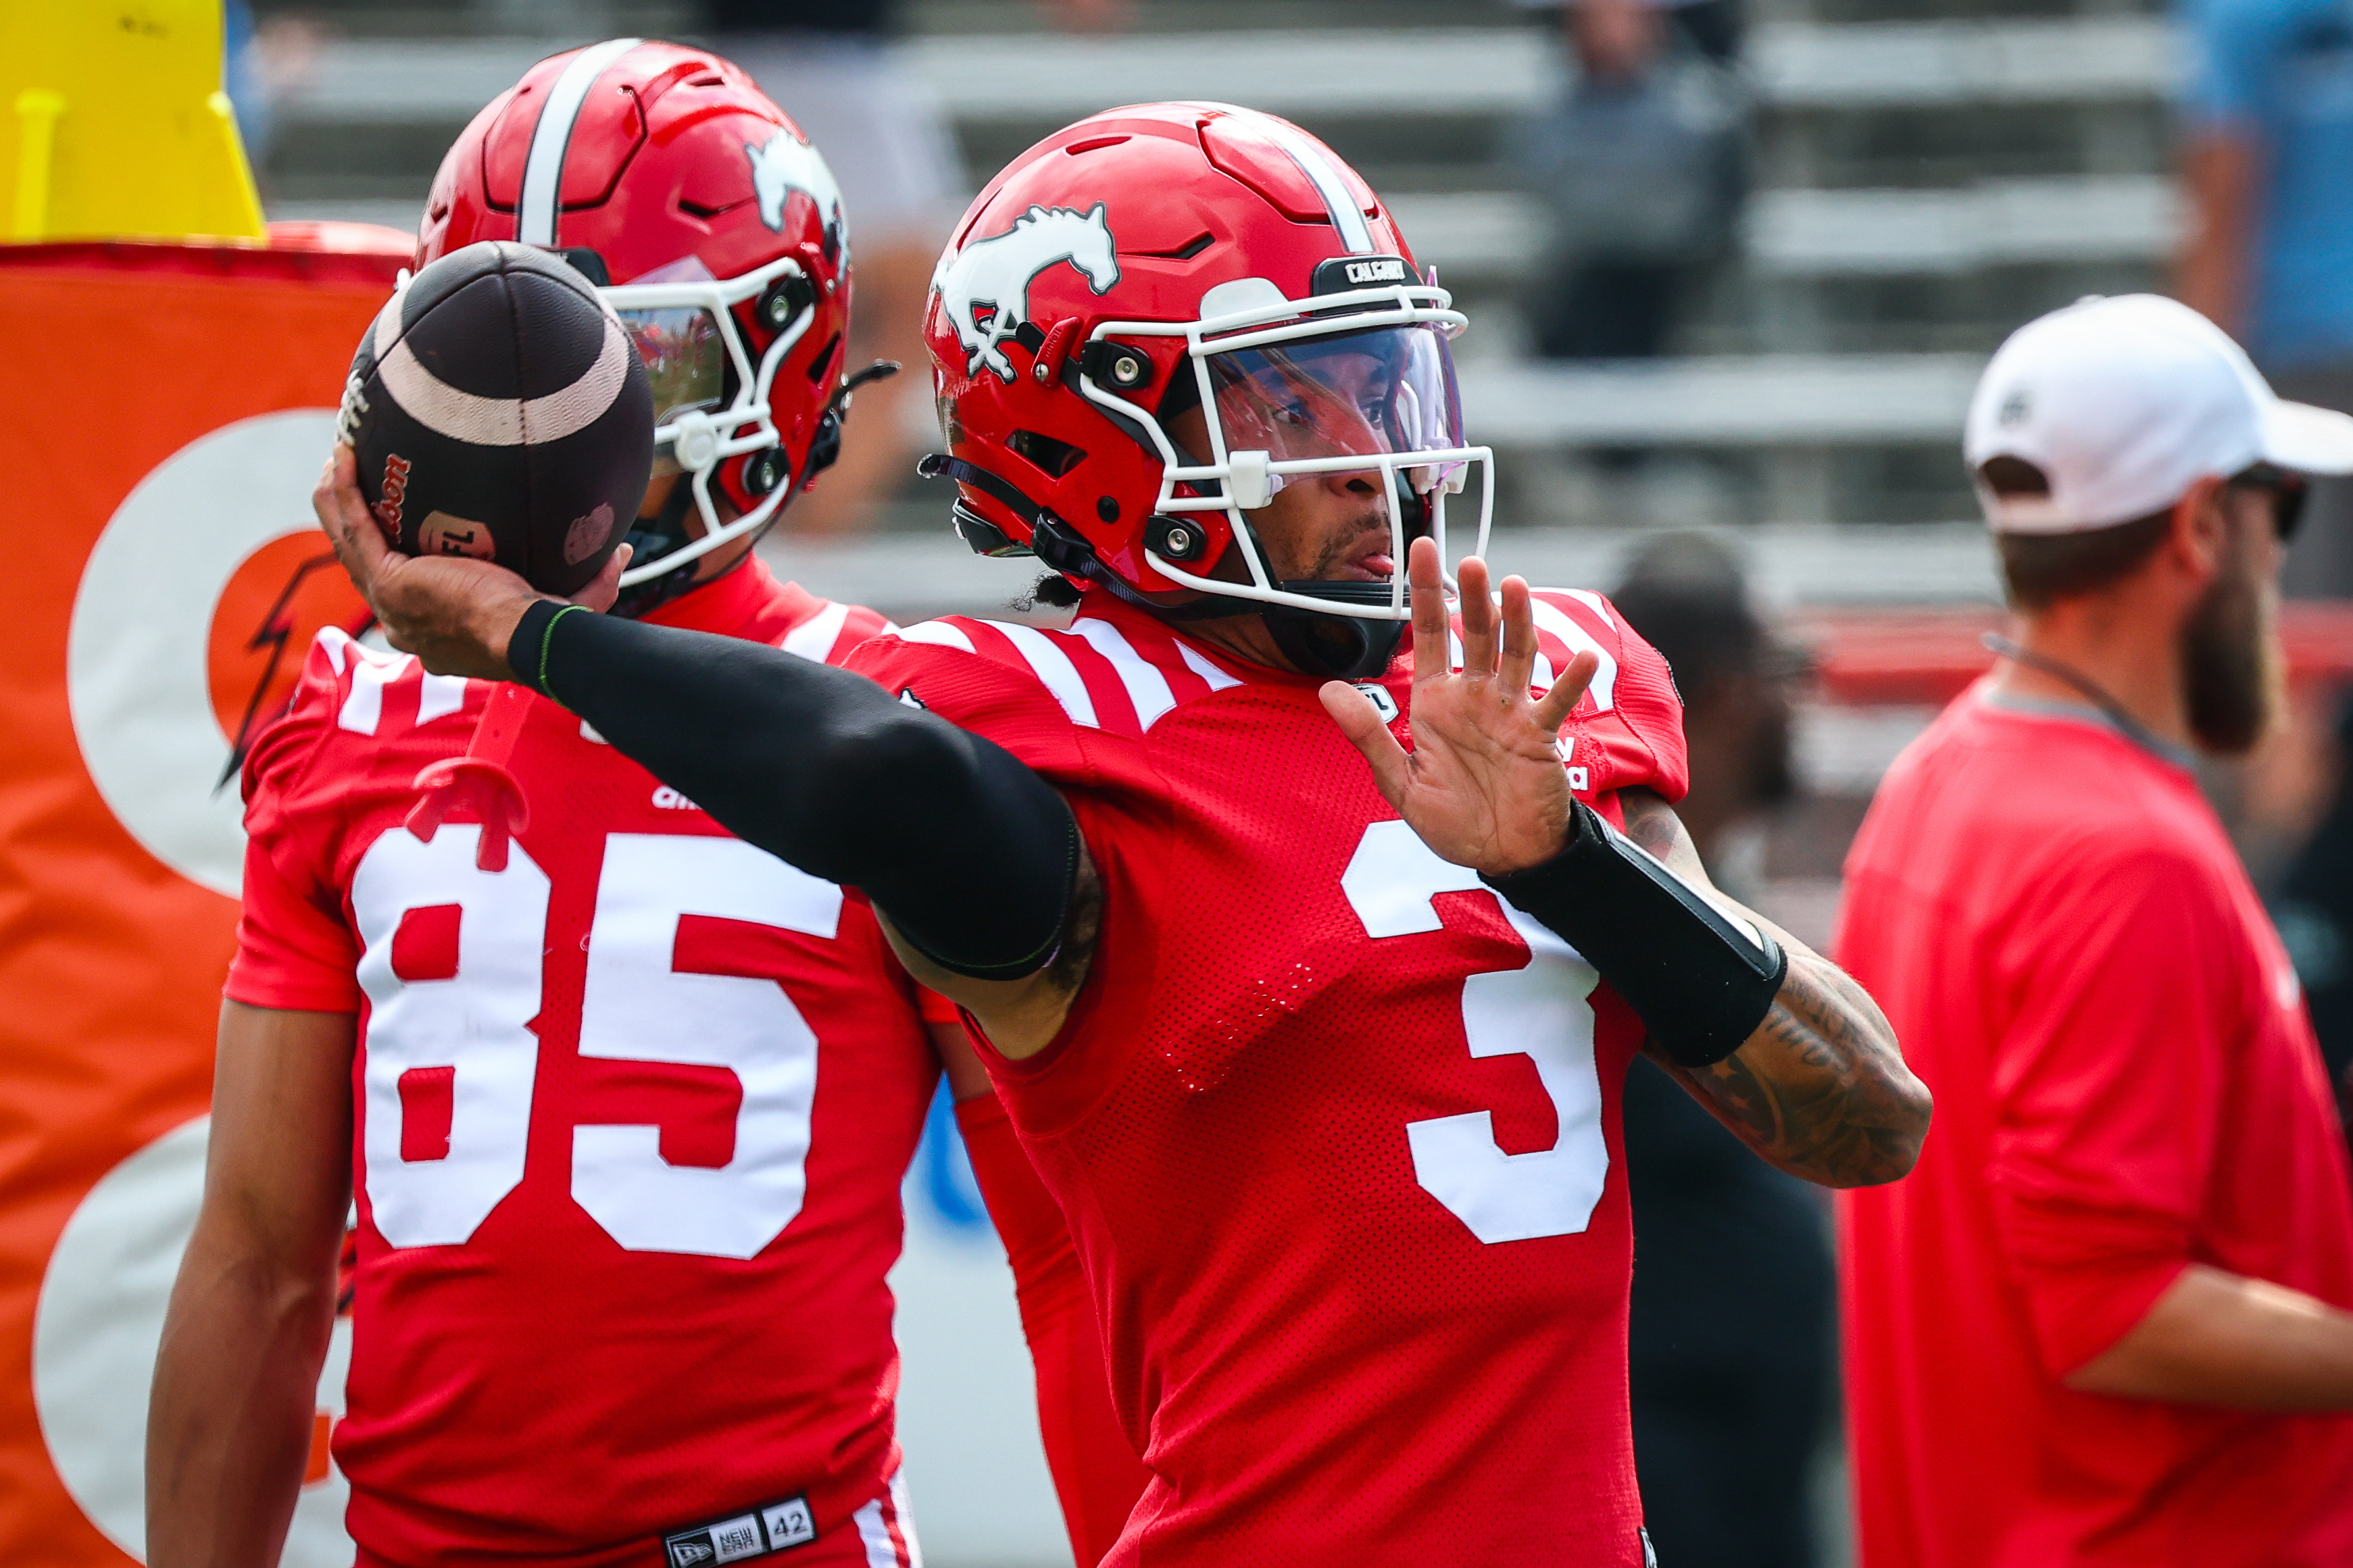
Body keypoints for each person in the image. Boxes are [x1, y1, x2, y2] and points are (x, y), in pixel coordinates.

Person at [314, 101, 1929, 1565]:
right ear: (1095, 436)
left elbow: (1867, 1119)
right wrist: (538, 636)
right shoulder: (1027, 712)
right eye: (1299, 405)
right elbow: (881, 779)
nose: (1380, 456)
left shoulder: (1528, 688)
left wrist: (1561, 854)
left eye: (1385, 385)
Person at [147, 41, 1141, 1567]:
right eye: (515, 373)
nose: (567, 434)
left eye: (640, 367)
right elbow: (261, 1261)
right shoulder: (350, 712)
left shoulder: (891, 720)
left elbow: (1068, 1257)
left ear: (790, 352)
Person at [1836, 293, 2353, 1568]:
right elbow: (2109, 1312)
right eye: (2275, 511)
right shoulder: (2122, 853)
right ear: (2197, 527)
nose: (2281, 556)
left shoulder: (1936, 779)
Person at [1609, 536, 1831, 1568]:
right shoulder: (1604, 913)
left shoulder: (1691, 894)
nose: (1802, 702)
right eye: (1789, 670)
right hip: (1661, 1464)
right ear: (1730, 692)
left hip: (1740, 1453)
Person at [2175, 0, 2353, 593]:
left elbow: (2224, 202)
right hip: (2303, 352)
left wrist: (2193, 399)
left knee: (2291, 619)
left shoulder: (2239, 15)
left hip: (2296, 359)